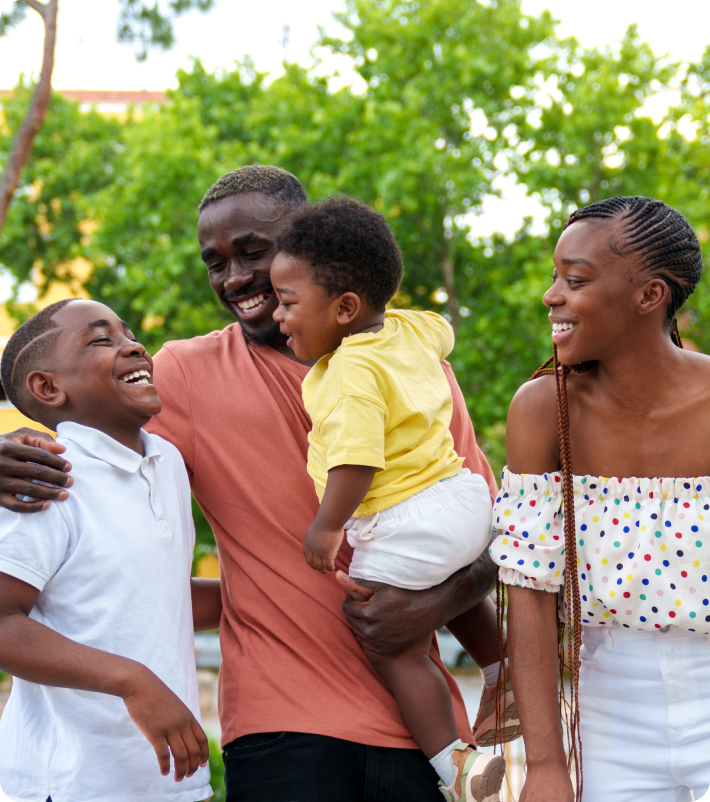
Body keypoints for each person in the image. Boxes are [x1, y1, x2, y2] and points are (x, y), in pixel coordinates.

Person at [0, 166, 500, 801]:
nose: (233, 278)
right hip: (279, 730)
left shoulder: (414, 370)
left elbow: (488, 534)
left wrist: (430, 606)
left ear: (302, 248)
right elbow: (60, 390)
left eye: (252, 253)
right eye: (215, 262)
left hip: (422, 729)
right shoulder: (181, 374)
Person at [271, 196, 507, 800]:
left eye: (290, 302)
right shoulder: (405, 329)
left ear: (345, 307)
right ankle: (503, 674)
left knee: (389, 640)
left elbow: (357, 458)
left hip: (405, 517)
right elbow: (443, 331)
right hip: (462, 497)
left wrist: (327, 528)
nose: (279, 316)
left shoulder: (349, 372)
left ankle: (455, 764)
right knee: (443, 581)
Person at [488, 196, 710, 802]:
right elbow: (527, 592)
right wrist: (546, 765)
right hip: (609, 716)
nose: (551, 296)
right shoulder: (542, 409)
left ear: (650, 295)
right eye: (555, 277)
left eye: (575, 279)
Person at [0, 299, 219, 802]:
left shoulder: (166, 462)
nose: (134, 346)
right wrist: (132, 681)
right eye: (103, 340)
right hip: (75, 783)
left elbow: (153, 595)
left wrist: (270, 599)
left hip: (171, 782)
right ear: (48, 387)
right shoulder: (44, 474)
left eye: (129, 333)